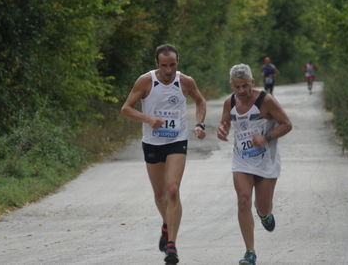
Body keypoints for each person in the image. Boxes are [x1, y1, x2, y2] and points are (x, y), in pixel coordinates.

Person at [121, 44, 206, 264]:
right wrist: (149, 120)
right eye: (164, 65)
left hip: (177, 140)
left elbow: (200, 101)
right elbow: (126, 108)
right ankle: (167, 224)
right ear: (157, 64)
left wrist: (200, 124)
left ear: (178, 62)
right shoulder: (146, 81)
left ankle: (172, 247)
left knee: (172, 190)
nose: (169, 70)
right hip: (152, 142)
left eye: (173, 65)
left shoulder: (185, 81)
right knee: (160, 196)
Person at [217, 64, 292, 265]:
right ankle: (250, 252)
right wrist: (222, 130)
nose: (241, 91)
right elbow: (225, 122)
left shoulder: (266, 101)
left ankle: (264, 214)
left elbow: (287, 124)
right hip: (241, 160)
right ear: (231, 85)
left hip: (266, 160)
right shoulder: (229, 102)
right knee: (243, 200)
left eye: (245, 86)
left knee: (263, 206)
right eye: (237, 87)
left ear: (252, 82)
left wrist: (266, 137)